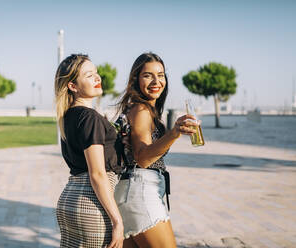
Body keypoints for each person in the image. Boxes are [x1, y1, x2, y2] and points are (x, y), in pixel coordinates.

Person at [114, 52, 198, 248]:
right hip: (140, 193)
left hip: (130, 193)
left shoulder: (140, 109)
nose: (156, 81)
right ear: (136, 79)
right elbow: (142, 157)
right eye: (148, 75)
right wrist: (174, 133)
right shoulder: (142, 110)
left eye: (160, 75)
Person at [55, 54, 124, 248]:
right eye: (89, 75)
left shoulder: (67, 117)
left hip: (69, 201)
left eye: (96, 72)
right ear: (73, 86)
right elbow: (98, 174)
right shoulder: (89, 117)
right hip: (91, 204)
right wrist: (117, 220)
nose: (97, 78)